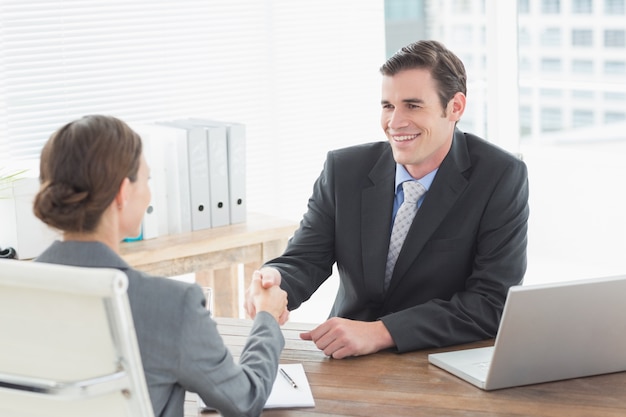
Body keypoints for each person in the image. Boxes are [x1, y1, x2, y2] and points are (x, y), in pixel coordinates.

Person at [244, 40, 529, 359]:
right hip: (346, 358)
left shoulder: (500, 176)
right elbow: (306, 257)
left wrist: (382, 332)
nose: (395, 122)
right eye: (388, 106)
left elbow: (491, 303)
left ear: (455, 107)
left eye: (413, 105)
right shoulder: (345, 170)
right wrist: (275, 282)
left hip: (443, 360)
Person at [33, 115, 288, 417]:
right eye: (147, 179)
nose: (149, 192)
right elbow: (244, 399)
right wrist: (267, 317)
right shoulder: (171, 305)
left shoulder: (13, 293)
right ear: (122, 193)